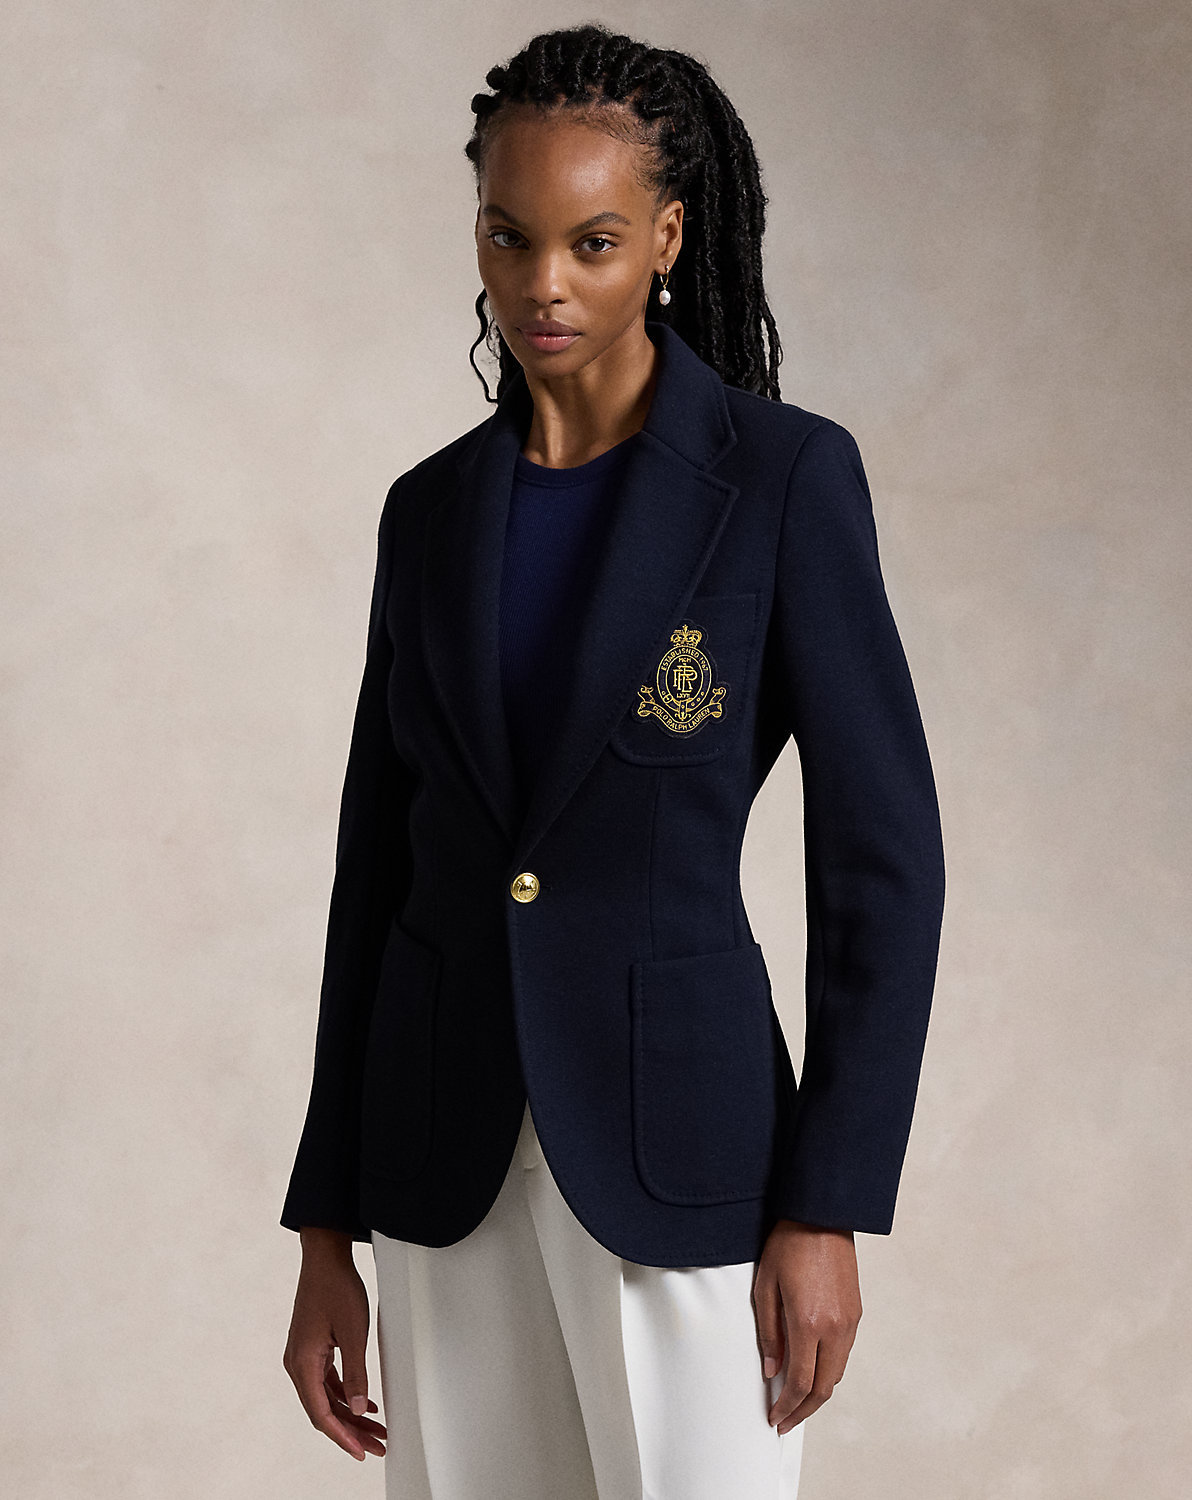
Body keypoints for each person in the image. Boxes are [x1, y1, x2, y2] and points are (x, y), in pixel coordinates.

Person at [281, 22, 945, 1500]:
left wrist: (829, 1201)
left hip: (687, 1156)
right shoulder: (429, 513)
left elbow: (883, 866)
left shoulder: (781, 480)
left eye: (591, 242)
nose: (543, 284)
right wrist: (327, 1226)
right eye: (508, 237)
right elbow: (373, 872)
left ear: (667, 236)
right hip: (442, 1162)